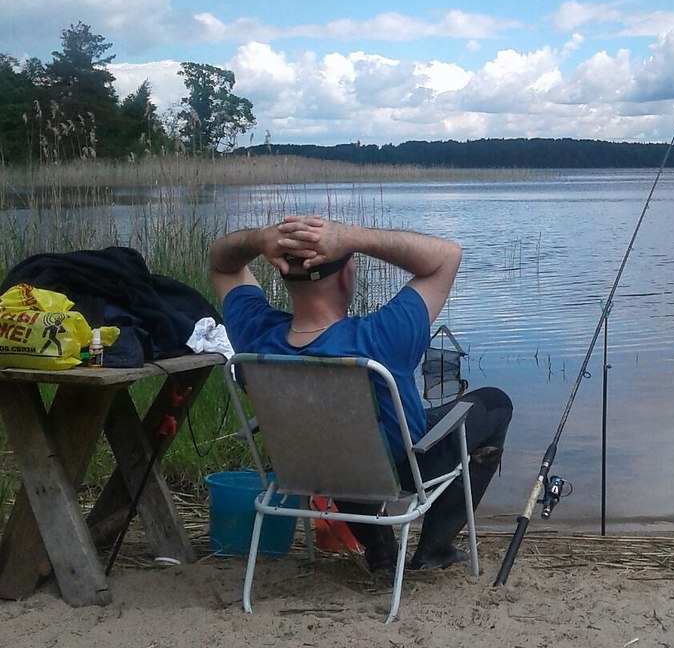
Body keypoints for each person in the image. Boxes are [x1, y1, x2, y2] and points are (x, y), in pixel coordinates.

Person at [208, 214, 512, 573]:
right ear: (347, 275)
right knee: (494, 403)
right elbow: (447, 255)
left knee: (340, 439)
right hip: (402, 470)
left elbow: (221, 264)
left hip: (311, 468)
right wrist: (352, 237)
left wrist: (260, 238)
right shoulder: (380, 337)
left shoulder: (256, 336)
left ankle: (380, 551)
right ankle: (435, 548)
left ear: (283, 277)